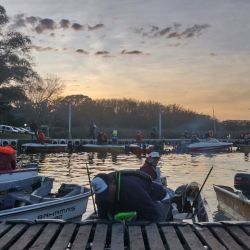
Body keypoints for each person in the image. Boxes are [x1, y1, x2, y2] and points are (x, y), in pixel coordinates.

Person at [91, 171, 171, 222]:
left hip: (159, 200)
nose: (106, 197)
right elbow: (103, 217)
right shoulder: (100, 197)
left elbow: (153, 214)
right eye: (103, 195)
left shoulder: (131, 189)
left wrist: (133, 220)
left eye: (107, 192)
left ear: (113, 183)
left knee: (154, 226)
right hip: (136, 202)